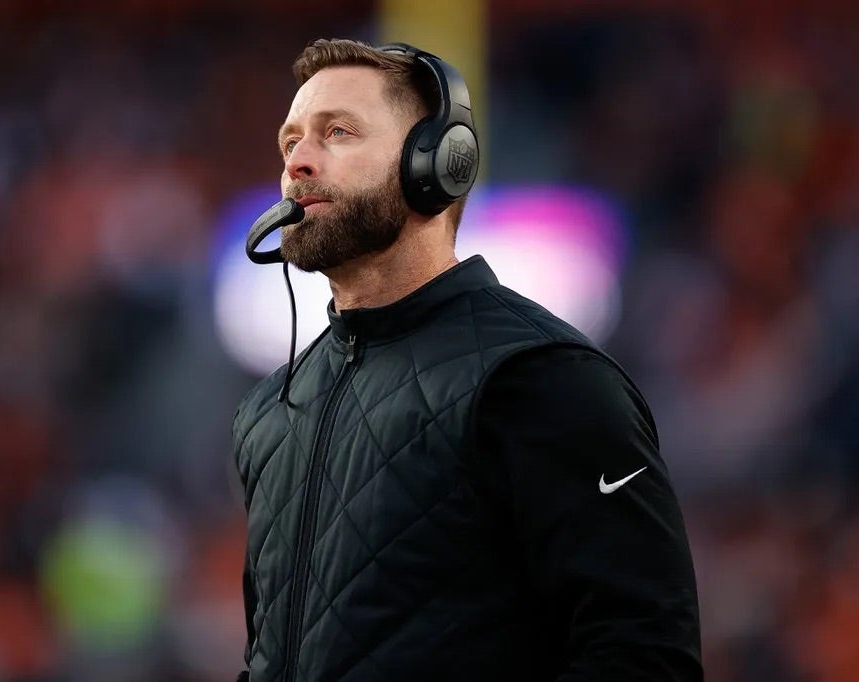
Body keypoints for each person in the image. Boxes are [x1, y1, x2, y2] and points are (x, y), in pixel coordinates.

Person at [232, 38, 702, 682]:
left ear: (438, 164)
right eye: (290, 143)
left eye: (337, 132)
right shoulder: (269, 412)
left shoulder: (542, 378)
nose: (299, 163)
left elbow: (645, 657)